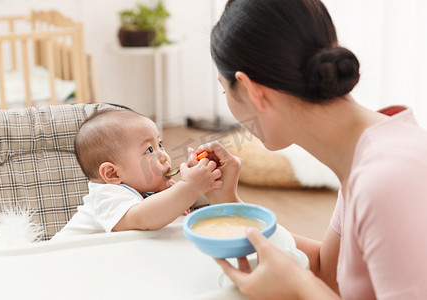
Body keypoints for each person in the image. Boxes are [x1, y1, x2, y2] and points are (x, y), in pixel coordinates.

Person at [187, 0, 427, 299]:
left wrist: (299, 288)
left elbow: (314, 283)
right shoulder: (362, 158)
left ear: (251, 90)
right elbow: (329, 273)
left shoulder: (389, 180)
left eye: (226, 91)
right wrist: (232, 206)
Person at [53, 109, 222, 239]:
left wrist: (180, 195)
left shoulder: (140, 187)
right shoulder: (106, 196)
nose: (163, 155)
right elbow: (143, 218)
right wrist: (189, 188)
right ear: (112, 174)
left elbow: (159, 211)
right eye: (149, 150)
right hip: (58, 261)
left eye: (160, 144)